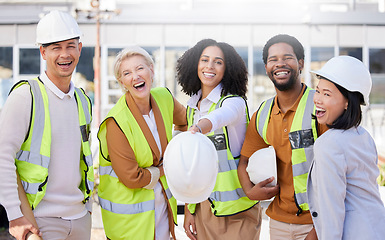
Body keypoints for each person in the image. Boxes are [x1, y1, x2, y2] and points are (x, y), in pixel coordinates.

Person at [0, 10, 93, 240]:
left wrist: (88, 209)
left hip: (80, 219)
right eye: (56, 47)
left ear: (79, 49)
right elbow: (2, 156)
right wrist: (15, 214)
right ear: (43, 51)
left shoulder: (83, 99)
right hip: (41, 222)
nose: (65, 54)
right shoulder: (26, 95)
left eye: (70, 46)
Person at [238, 34, 328, 240]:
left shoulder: (321, 105)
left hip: (318, 221)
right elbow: (244, 161)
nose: (280, 64)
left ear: (301, 63)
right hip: (278, 222)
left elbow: (341, 171)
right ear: (267, 67)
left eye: (287, 57)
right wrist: (250, 192)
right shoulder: (262, 114)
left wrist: (318, 229)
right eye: (273, 59)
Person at [97, 46, 187, 240]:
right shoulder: (116, 122)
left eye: (140, 68)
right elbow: (132, 177)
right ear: (122, 82)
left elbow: (186, 121)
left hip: (161, 211)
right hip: (129, 224)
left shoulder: (164, 97)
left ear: (151, 70)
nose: (135, 76)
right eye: (127, 73)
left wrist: (178, 149)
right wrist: (169, 167)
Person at [176, 38, 261, 240]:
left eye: (218, 62)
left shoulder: (234, 103)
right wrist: (190, 209)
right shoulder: (191, 107)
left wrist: (199, 127)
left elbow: (219, 117)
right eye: (204, 60)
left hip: (239, 211)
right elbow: (193, 168)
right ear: (195, 64)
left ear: (227, 68)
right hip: (206, 207)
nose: (210, 66)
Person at [307, 55, 385, 240]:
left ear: (348, 101)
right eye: (317, 91)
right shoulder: (362, 135)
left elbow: (331, 211)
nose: (317, 99)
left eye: (327, 94)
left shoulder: (329, 144)